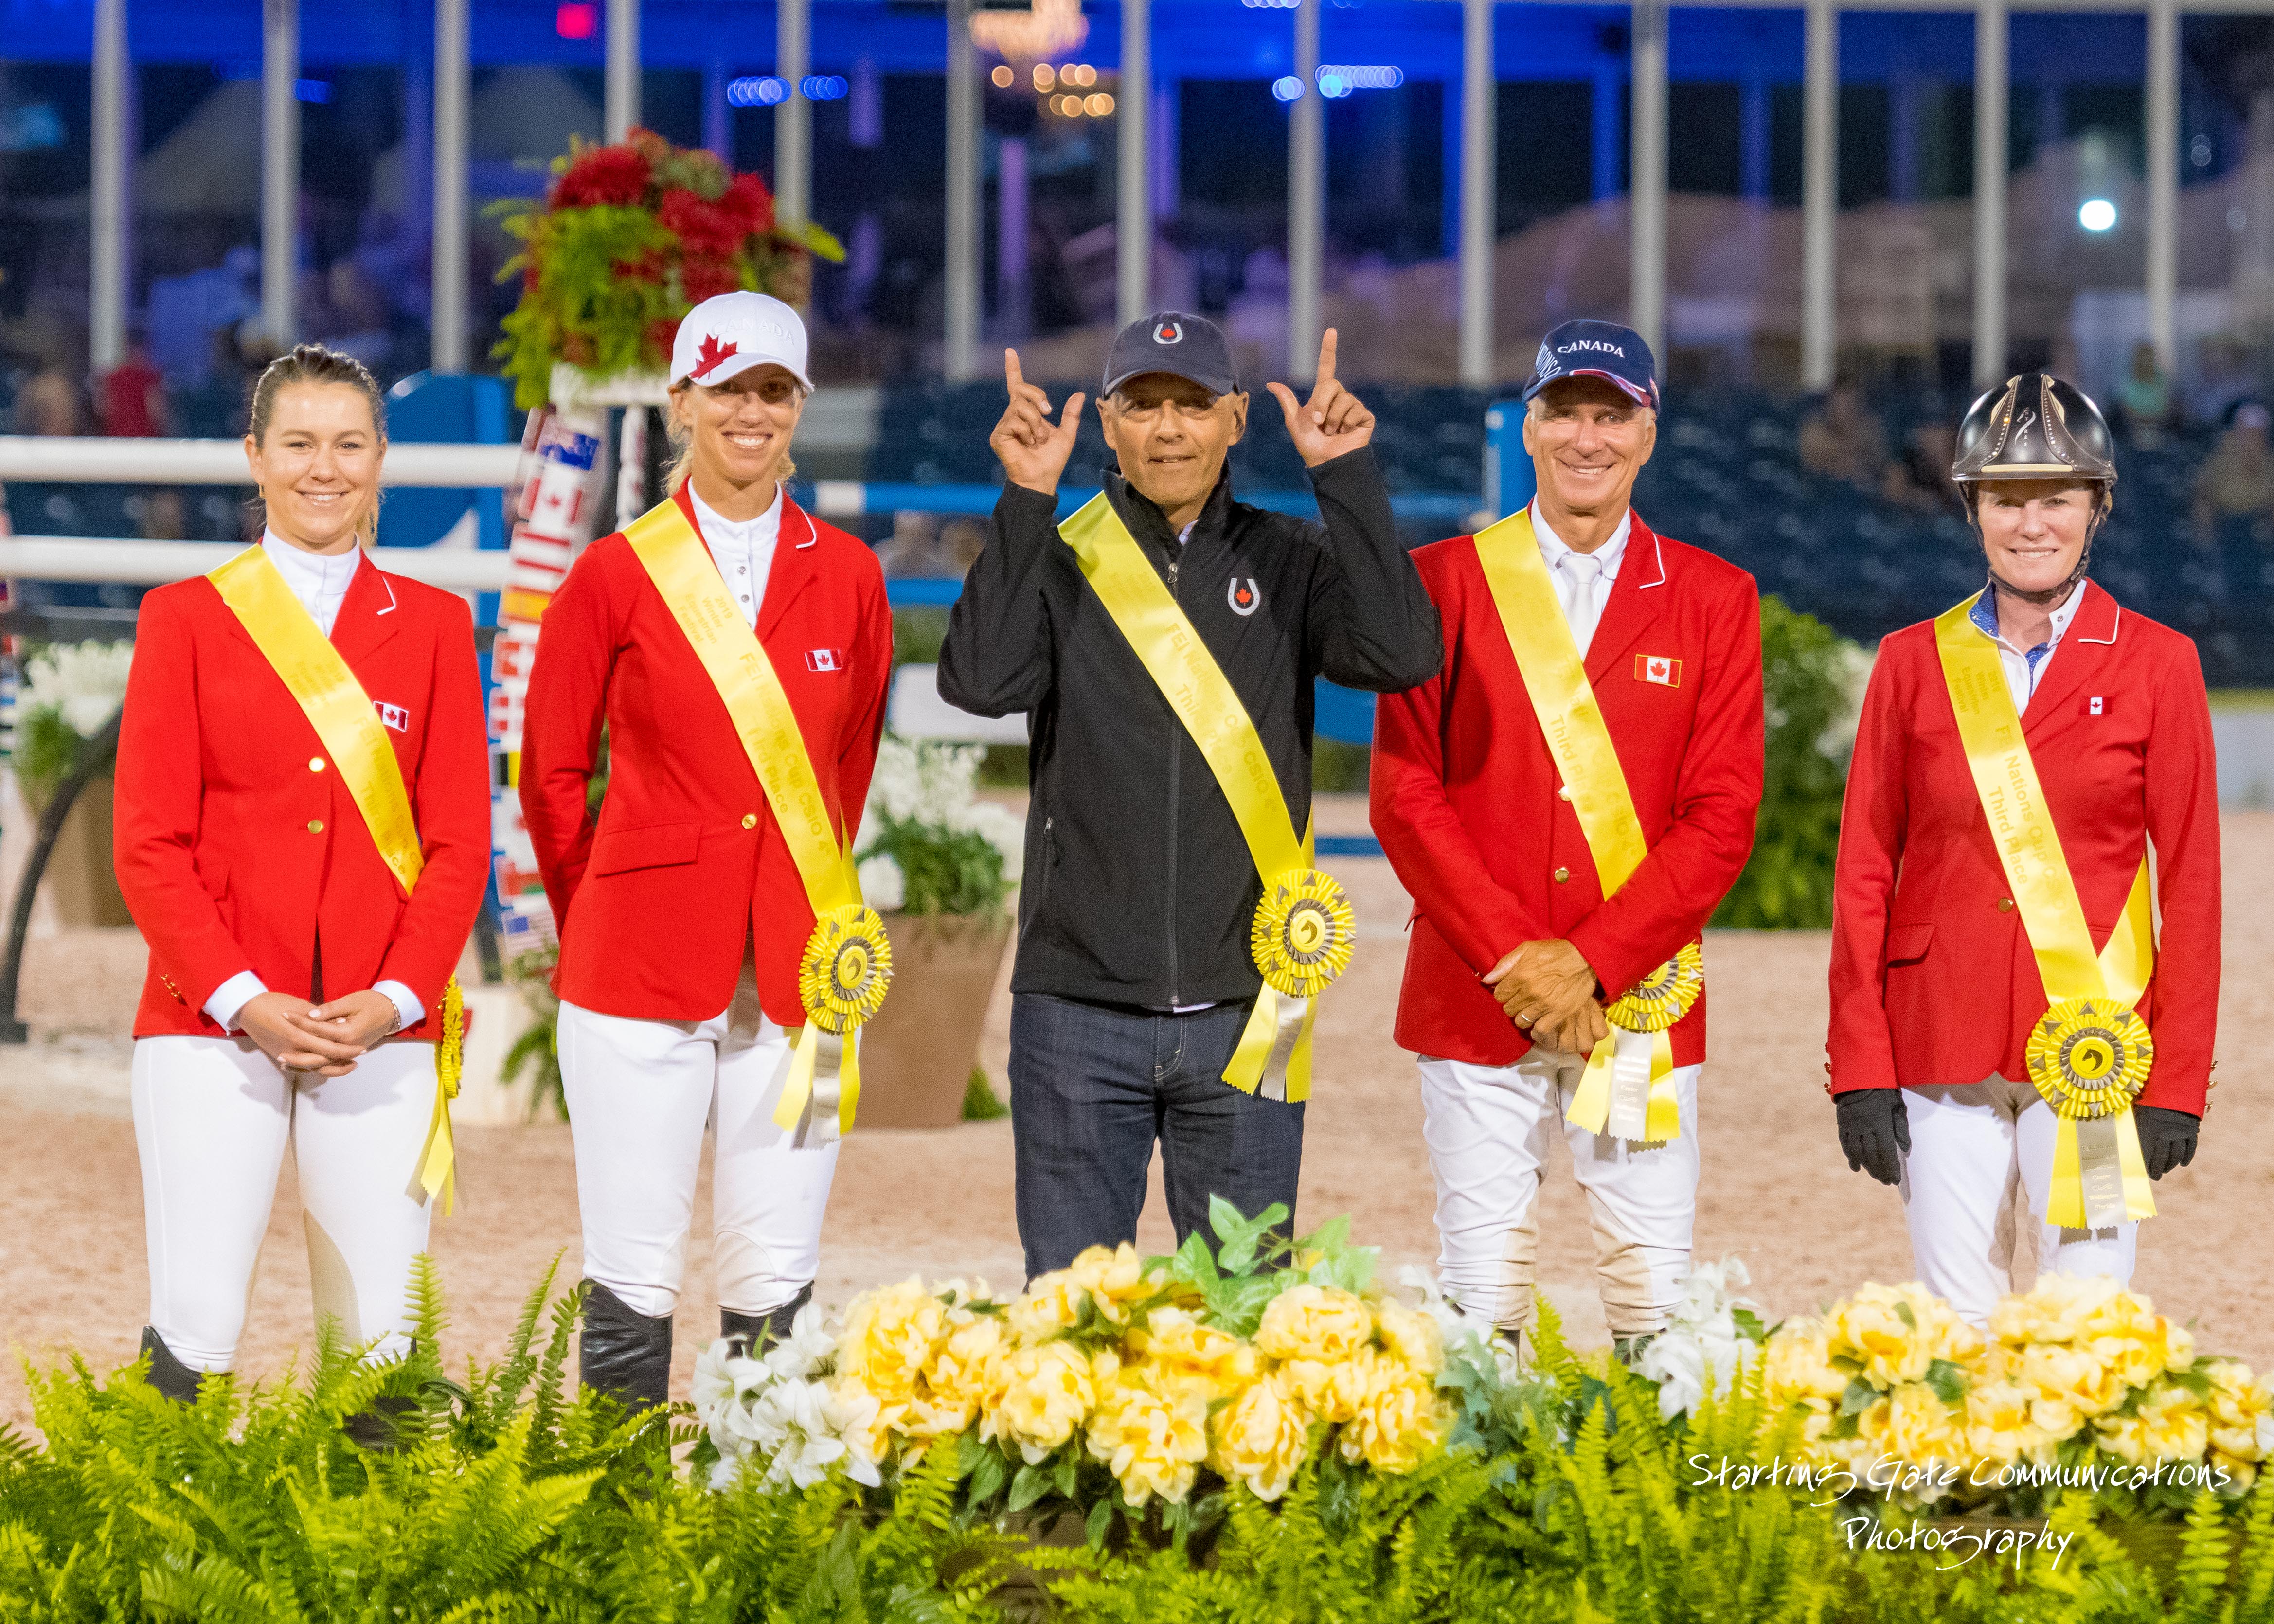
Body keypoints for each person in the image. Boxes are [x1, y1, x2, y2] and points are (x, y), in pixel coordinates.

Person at [938, 313, 1440, 1281]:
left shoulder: (1291, 559)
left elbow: (1401, 653)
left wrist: (1345, 478)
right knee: (1068, 1326)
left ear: (1238, 418)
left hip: (1247, 1010)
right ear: (1110, 425)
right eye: (1142, 405)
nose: (1169, 430)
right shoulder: (1058, 553)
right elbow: (982, 682)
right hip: (1075, 1012)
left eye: (1193, 405)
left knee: (1244, 1324)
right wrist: (1023, 501)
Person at [521, 292, 893, 1407]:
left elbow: (845, 770)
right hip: (635, 965)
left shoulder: (854, 576)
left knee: (774, 1271)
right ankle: (620, 1526)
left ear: (797, 411)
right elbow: (547, 775)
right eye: (728, 388)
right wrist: (608, 909)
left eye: (773, 391)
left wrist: (801, 894)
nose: (751, 412)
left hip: (795, 966)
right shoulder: (611, 575)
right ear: (681, 402)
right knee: (632, 1268)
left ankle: (756, 1525)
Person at [1371, 320, 1764, 1360]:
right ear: (1529, 427)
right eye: (1566, 414)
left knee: (1653, 1297)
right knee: (1481, 1290)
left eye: (1612, 415)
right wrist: (1517, 959)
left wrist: (1587, 961)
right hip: (1476, 989)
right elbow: (1405, 793)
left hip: (1635, 995)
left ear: (1647, 432)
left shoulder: (1716, 598)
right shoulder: (1444, 580)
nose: (1587, 437)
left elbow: (1722, 812)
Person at [111, 342, 490, 1403]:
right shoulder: (184, 619)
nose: (324, 469)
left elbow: (460, 841)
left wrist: (396, 996)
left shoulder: (435, 628)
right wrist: (244, 998)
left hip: (381, 1022)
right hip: (212, 1016)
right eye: (299, 444)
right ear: (255, 456)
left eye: (349, 445)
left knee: (377, 1338)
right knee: (199, 1316)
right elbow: (147, 842)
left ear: (381, 461)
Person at [1827, 373, 2219, 1327]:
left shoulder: (2160, 662)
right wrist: (1859, 1063)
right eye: (2006, 497)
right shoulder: (1912, 663)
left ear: (2098, 506)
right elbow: (1864, 875)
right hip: (1937, 1035)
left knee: (2084, 1325)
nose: (2031, 521)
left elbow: (2196, 884)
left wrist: (2175, 1078)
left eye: (2056, 495)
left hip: (2091, 1044)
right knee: (1950, 1327)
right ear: (1974, 508)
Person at [1799, 381, 1889, 491]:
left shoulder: (1870, 428)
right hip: (1822, 489)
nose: (1846, 411)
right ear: (1830, 404)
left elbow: (1879, 463)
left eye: (1851, 404)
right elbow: (1812, 462)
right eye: (1840, 404)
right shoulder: (1814, 429)